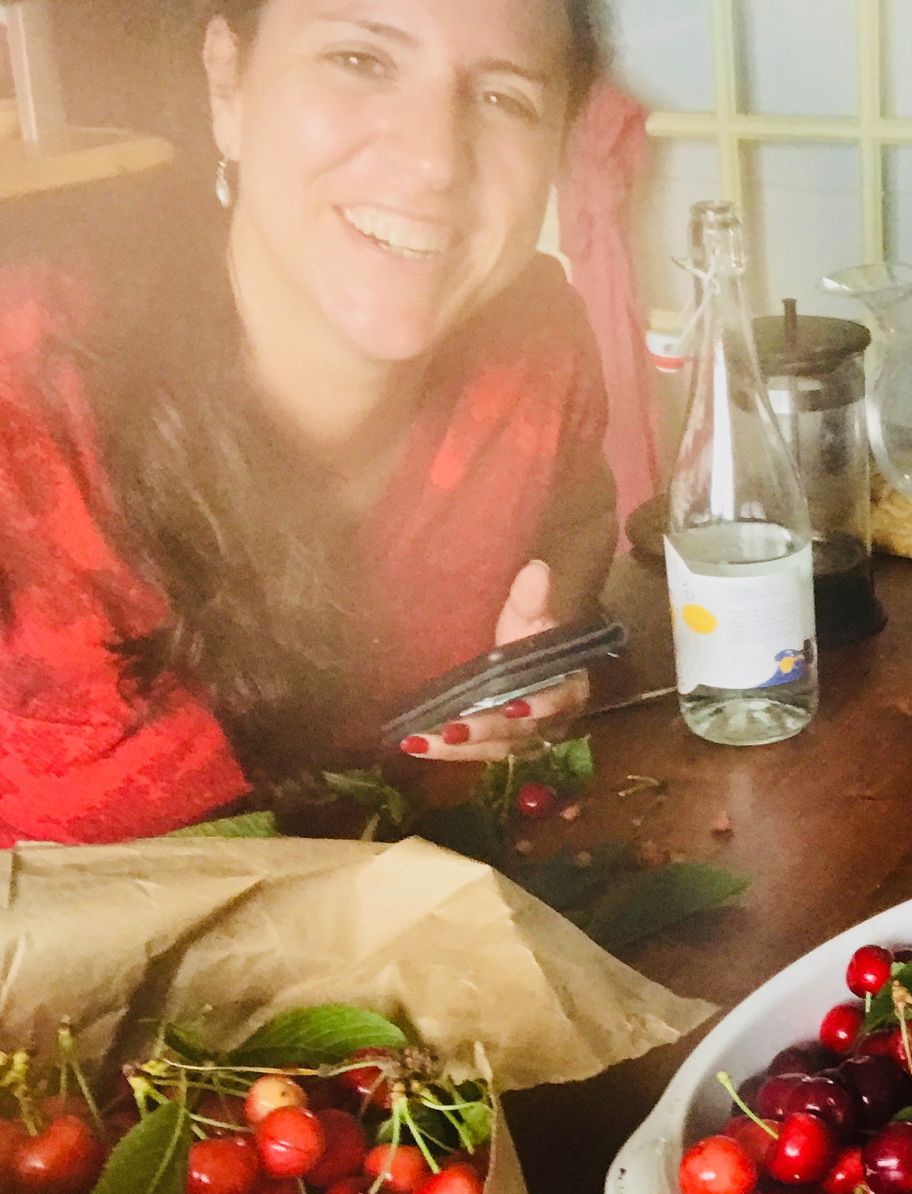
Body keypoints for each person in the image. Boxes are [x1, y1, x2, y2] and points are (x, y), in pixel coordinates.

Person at [0, 0, 616, 845]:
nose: (435, 161)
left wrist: (545, 661)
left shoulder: (537, 352)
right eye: (360, 60)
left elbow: (575, 521)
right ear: (228, 83)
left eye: (503, 98)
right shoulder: (23, 412)